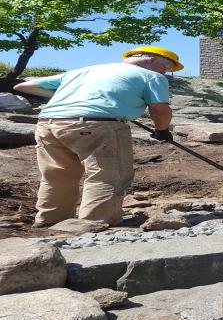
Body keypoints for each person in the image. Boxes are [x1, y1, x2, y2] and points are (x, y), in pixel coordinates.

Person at [13, 46, 182, 228]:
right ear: (150, 60)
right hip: (97, 125)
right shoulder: (151, 76)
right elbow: (159, 109)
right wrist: (162, 130)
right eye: (166, 67)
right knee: (107, 174)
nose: (165, 72)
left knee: (57, 174)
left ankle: (51, 220)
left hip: (48, 124)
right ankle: (95, 223)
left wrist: (74, 96)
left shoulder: (84, 71)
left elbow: (24, 86)